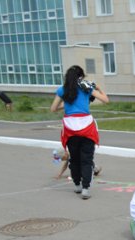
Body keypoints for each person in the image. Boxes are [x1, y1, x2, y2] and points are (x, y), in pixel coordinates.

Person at [50, 65, 109, 199]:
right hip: (86, 127)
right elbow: (106, 100)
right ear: (81, 77)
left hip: (70, 128)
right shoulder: (86, 88)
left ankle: (77, 185)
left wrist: (67, 103)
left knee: (74, 159)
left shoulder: (62, 90)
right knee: (87, 160)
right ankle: (85, 189)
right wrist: (98, 88)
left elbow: (53, 108)